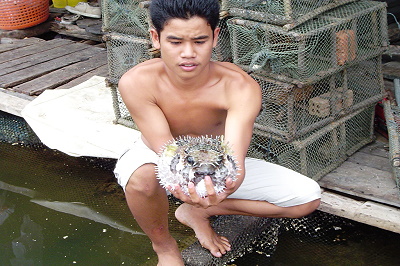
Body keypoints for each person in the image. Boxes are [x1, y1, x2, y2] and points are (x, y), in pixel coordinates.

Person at [114, 0, 321, 265]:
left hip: (216, 160)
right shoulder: (136, 82)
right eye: (175, 42)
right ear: (156, 38)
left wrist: (220, 189)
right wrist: (184, 183)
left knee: (307, 199)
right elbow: (167, 151)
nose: (188, 53)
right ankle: (164, 247)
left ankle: (197, 213)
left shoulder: (240, 87)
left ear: (215, 37)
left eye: (199, 41)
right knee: (141, 180)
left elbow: (234, 160)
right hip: (161, 154)